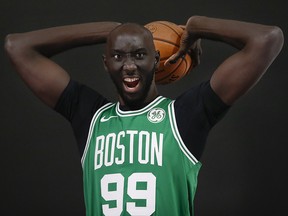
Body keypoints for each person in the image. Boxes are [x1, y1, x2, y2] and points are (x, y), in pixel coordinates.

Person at [5, 16, 283, 216]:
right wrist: (110, 29)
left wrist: (197, 26)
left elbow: (267, 39)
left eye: (139, 55)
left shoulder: (184, 116)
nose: (128, 66)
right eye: (117, 56)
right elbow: (17, 46)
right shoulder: (90, 118)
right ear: (106, 63)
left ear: (156, 58)